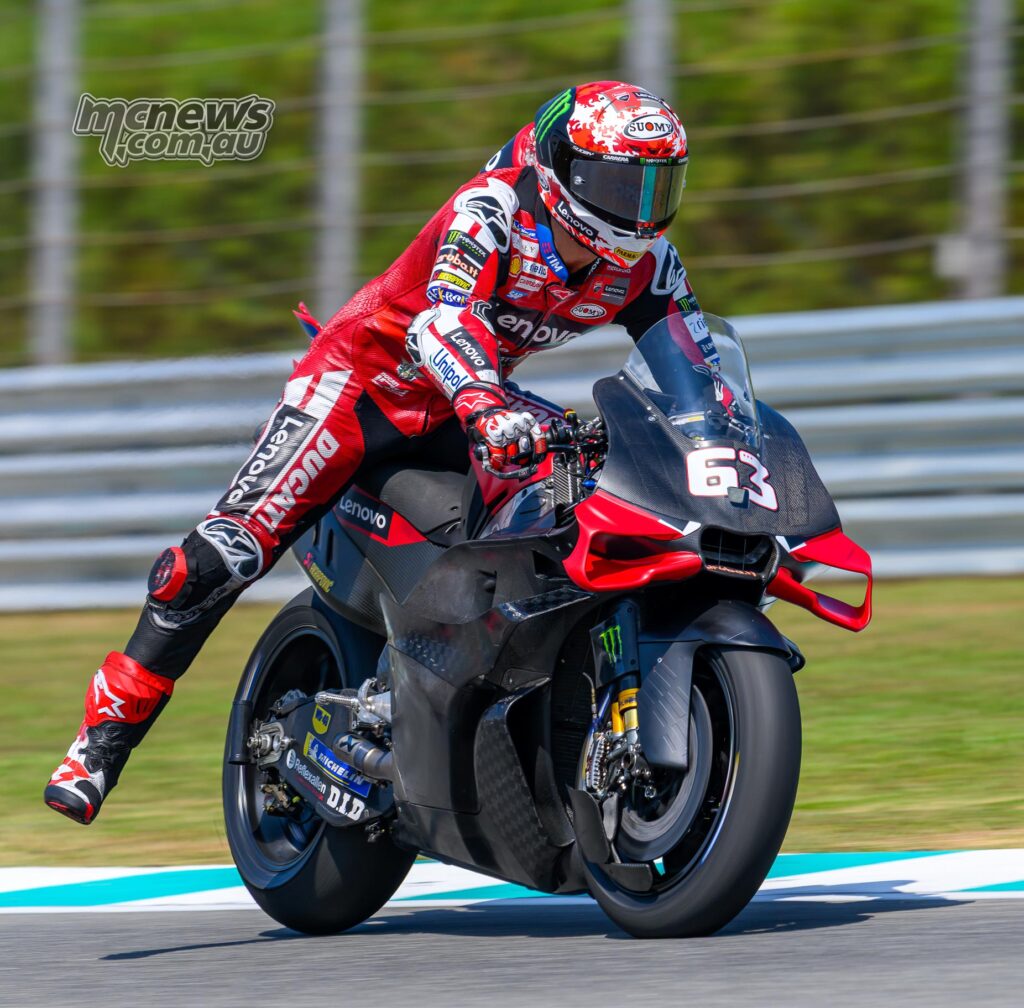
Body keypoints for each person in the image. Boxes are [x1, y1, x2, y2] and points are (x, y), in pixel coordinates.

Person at [45, 80, 709, 825]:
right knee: (213, 561)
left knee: (582, 489)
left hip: (465, 405)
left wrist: (716, 442)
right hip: (360, 391)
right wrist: (487, 405)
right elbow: (441, 323)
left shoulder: (649, 263)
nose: (639, 211)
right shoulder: (491, 210)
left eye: (657, 187)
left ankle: (507, 710)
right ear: (561, 168)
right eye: (621, 185)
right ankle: (100, 745)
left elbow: (695, 368)